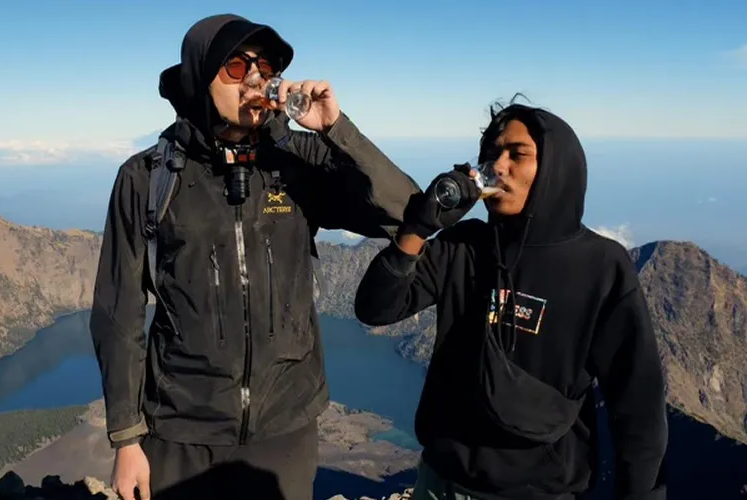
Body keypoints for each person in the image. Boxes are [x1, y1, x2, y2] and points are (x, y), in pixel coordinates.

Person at [89, 13, 420, 500]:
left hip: (285, 430)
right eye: (237, 68)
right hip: (182, 433)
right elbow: (118, 313)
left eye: (263, 65)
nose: (256, 79)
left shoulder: (296, 164)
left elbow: (406, 213)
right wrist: (126, 438)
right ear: (200, 77)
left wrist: (335, 127)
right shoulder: (147, 178)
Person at [353, 101, 668, 500]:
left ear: (556, 169)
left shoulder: (600, 267)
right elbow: (375, 308)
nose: (498, 166)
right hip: (440, 482)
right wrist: (419, 226)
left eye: (517, 154)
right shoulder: (464, 247)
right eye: (491, 154)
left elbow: (636, 401)